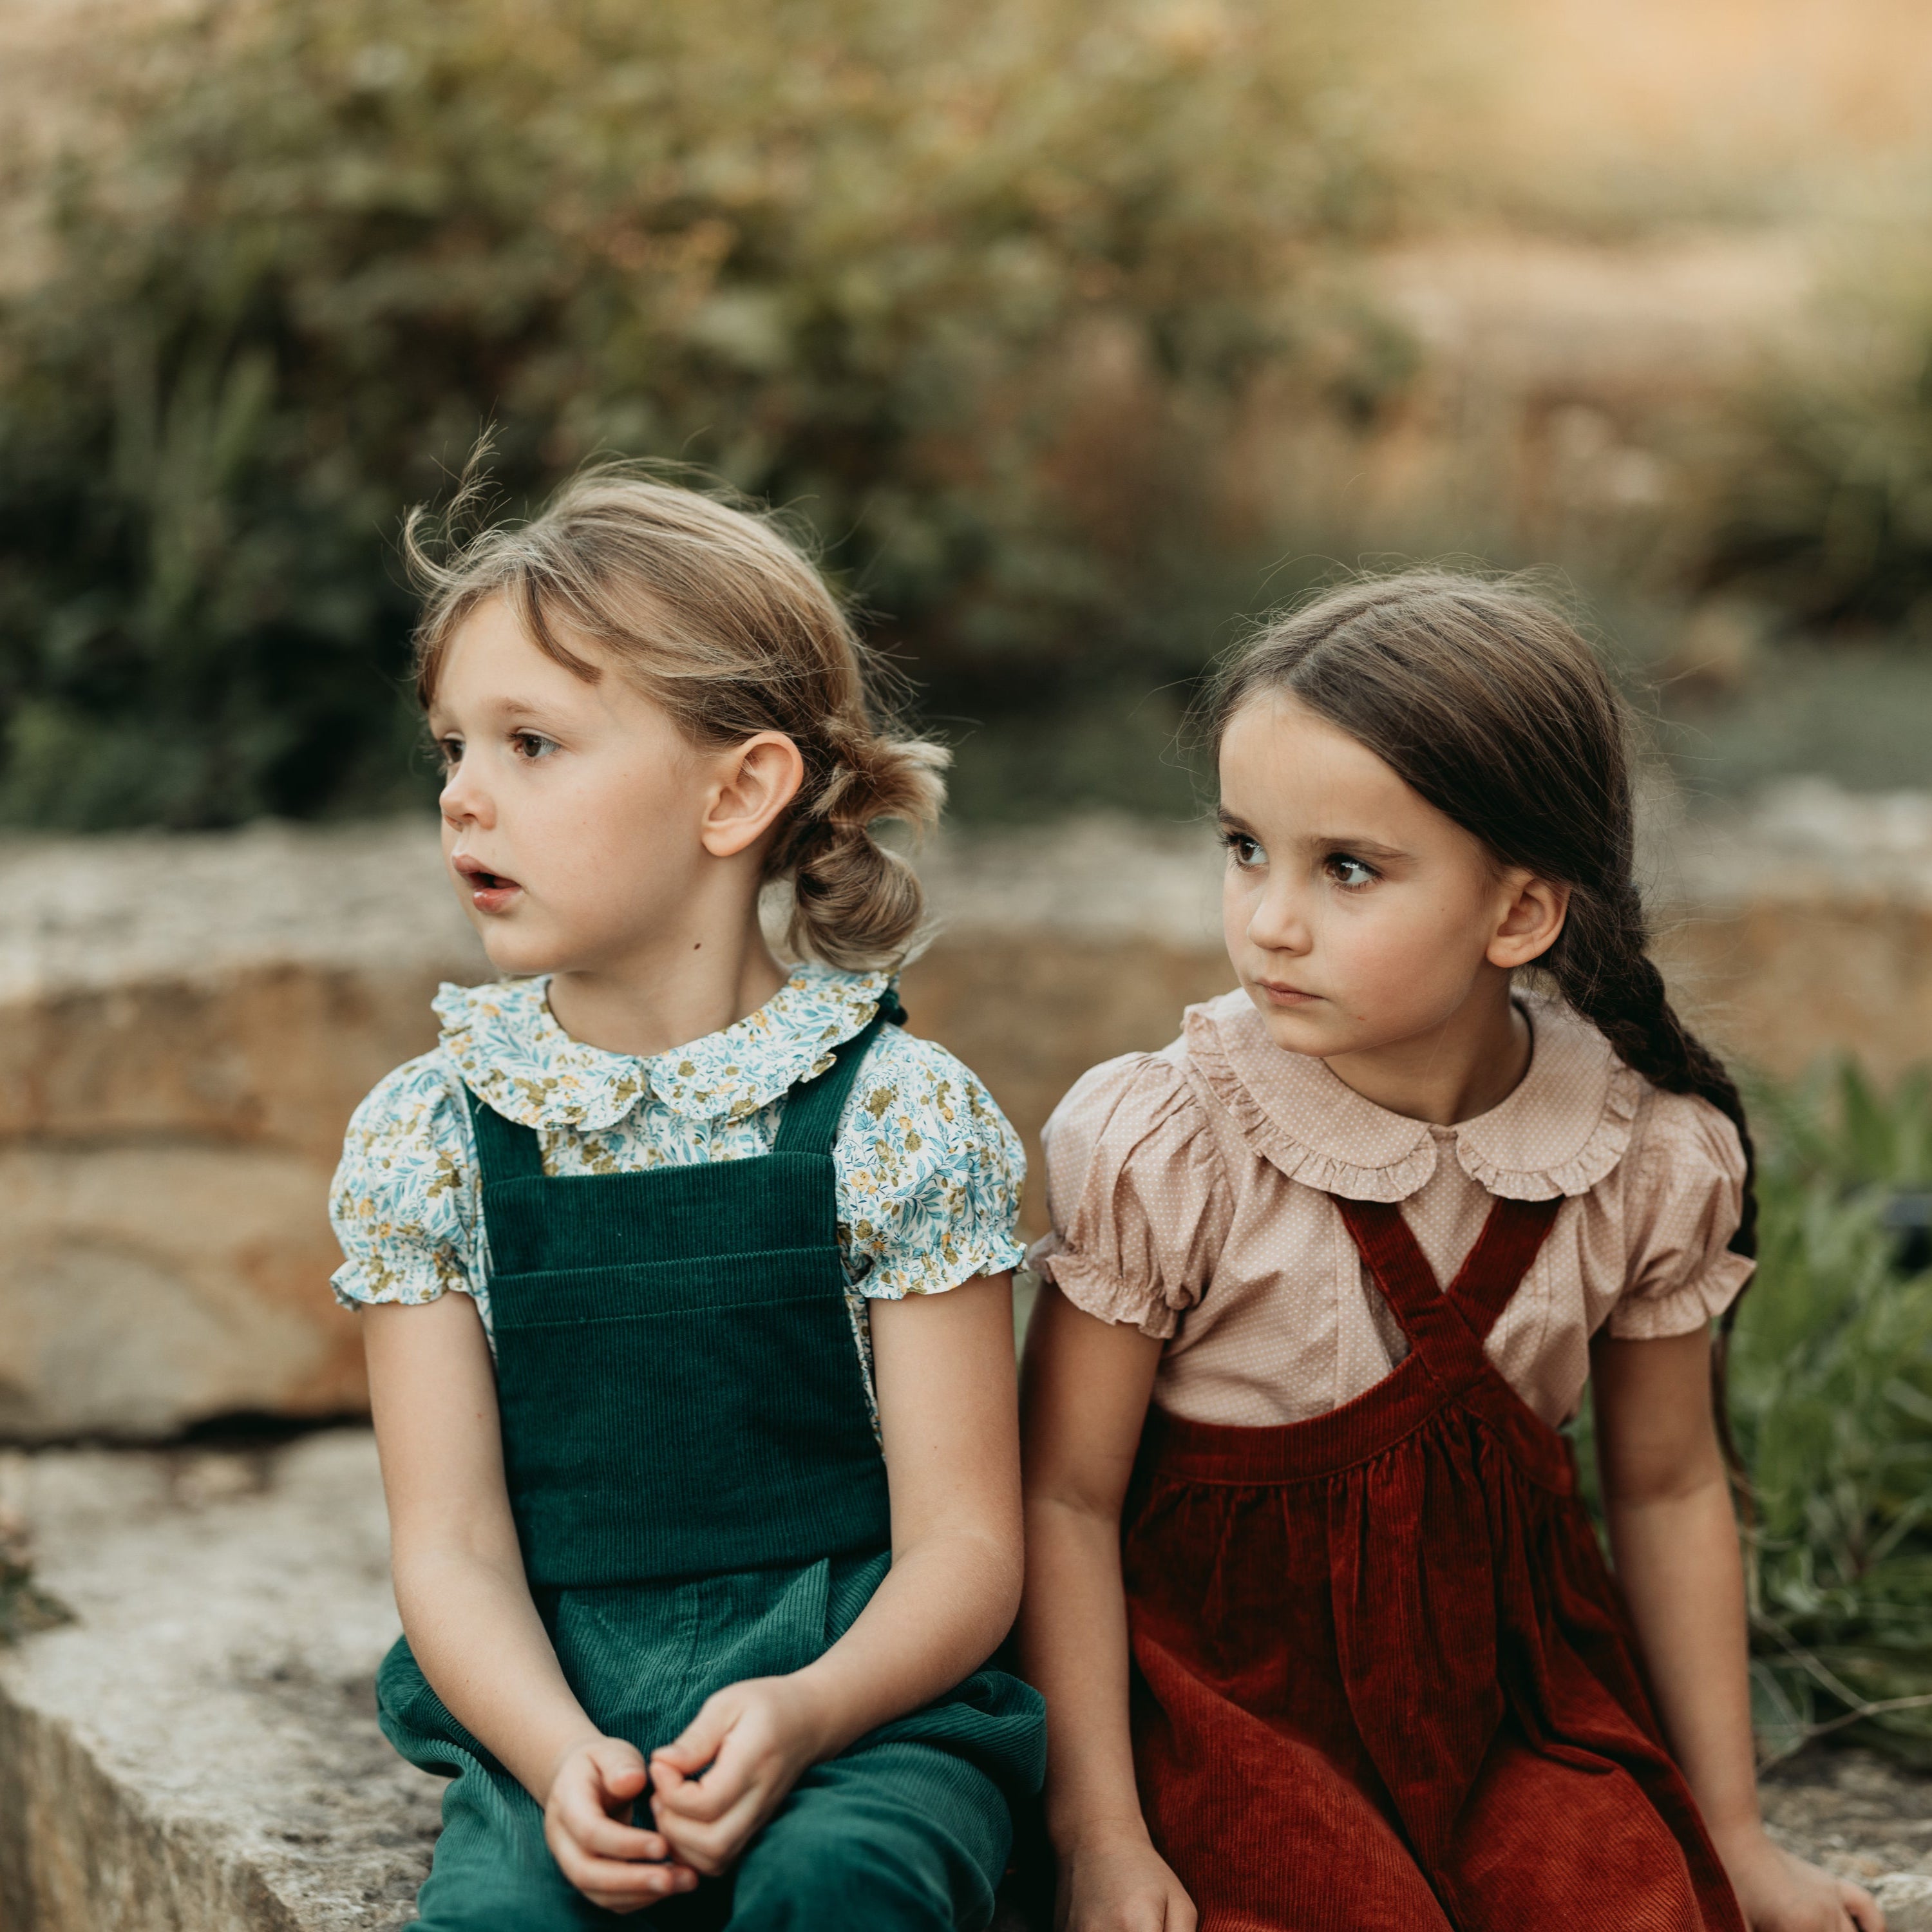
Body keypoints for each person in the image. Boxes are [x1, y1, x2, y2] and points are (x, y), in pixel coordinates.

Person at [1018, 573, 1882, 1932]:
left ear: (1521, 915)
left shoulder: (1638, 1155)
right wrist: (1100, 1840)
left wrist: (1732, 1836)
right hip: (1225, 1703)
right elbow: (1062, 1498)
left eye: (1345, 868)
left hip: (1508, 1700)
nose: (1270, 919)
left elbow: (1662, 1490)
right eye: (1245, 847)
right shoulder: (1169, 1145)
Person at [328, 468, 1044, 1930]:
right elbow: (450, 1545)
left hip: (864, 1706)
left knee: (845, 1883)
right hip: (560, 1703)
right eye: (452, 745)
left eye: (532, 743)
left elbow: (967, 1543)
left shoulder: (893, 1120)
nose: (464, 791)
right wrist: (554, 1757)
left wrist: (814, 1710)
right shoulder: (431, 1137)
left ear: (738, 791)